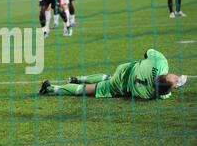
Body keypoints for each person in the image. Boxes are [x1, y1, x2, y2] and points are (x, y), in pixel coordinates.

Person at [39, 49, 187, 100]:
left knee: (101, 82)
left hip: (124, 71)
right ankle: (53, 87)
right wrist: (173, 86)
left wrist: (144, 65)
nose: (176, 76)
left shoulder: (161, 62)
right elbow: (166, 91)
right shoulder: (154, 94)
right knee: (95, 87)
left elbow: (147, 52)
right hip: (122, 87)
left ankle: (69, 81)